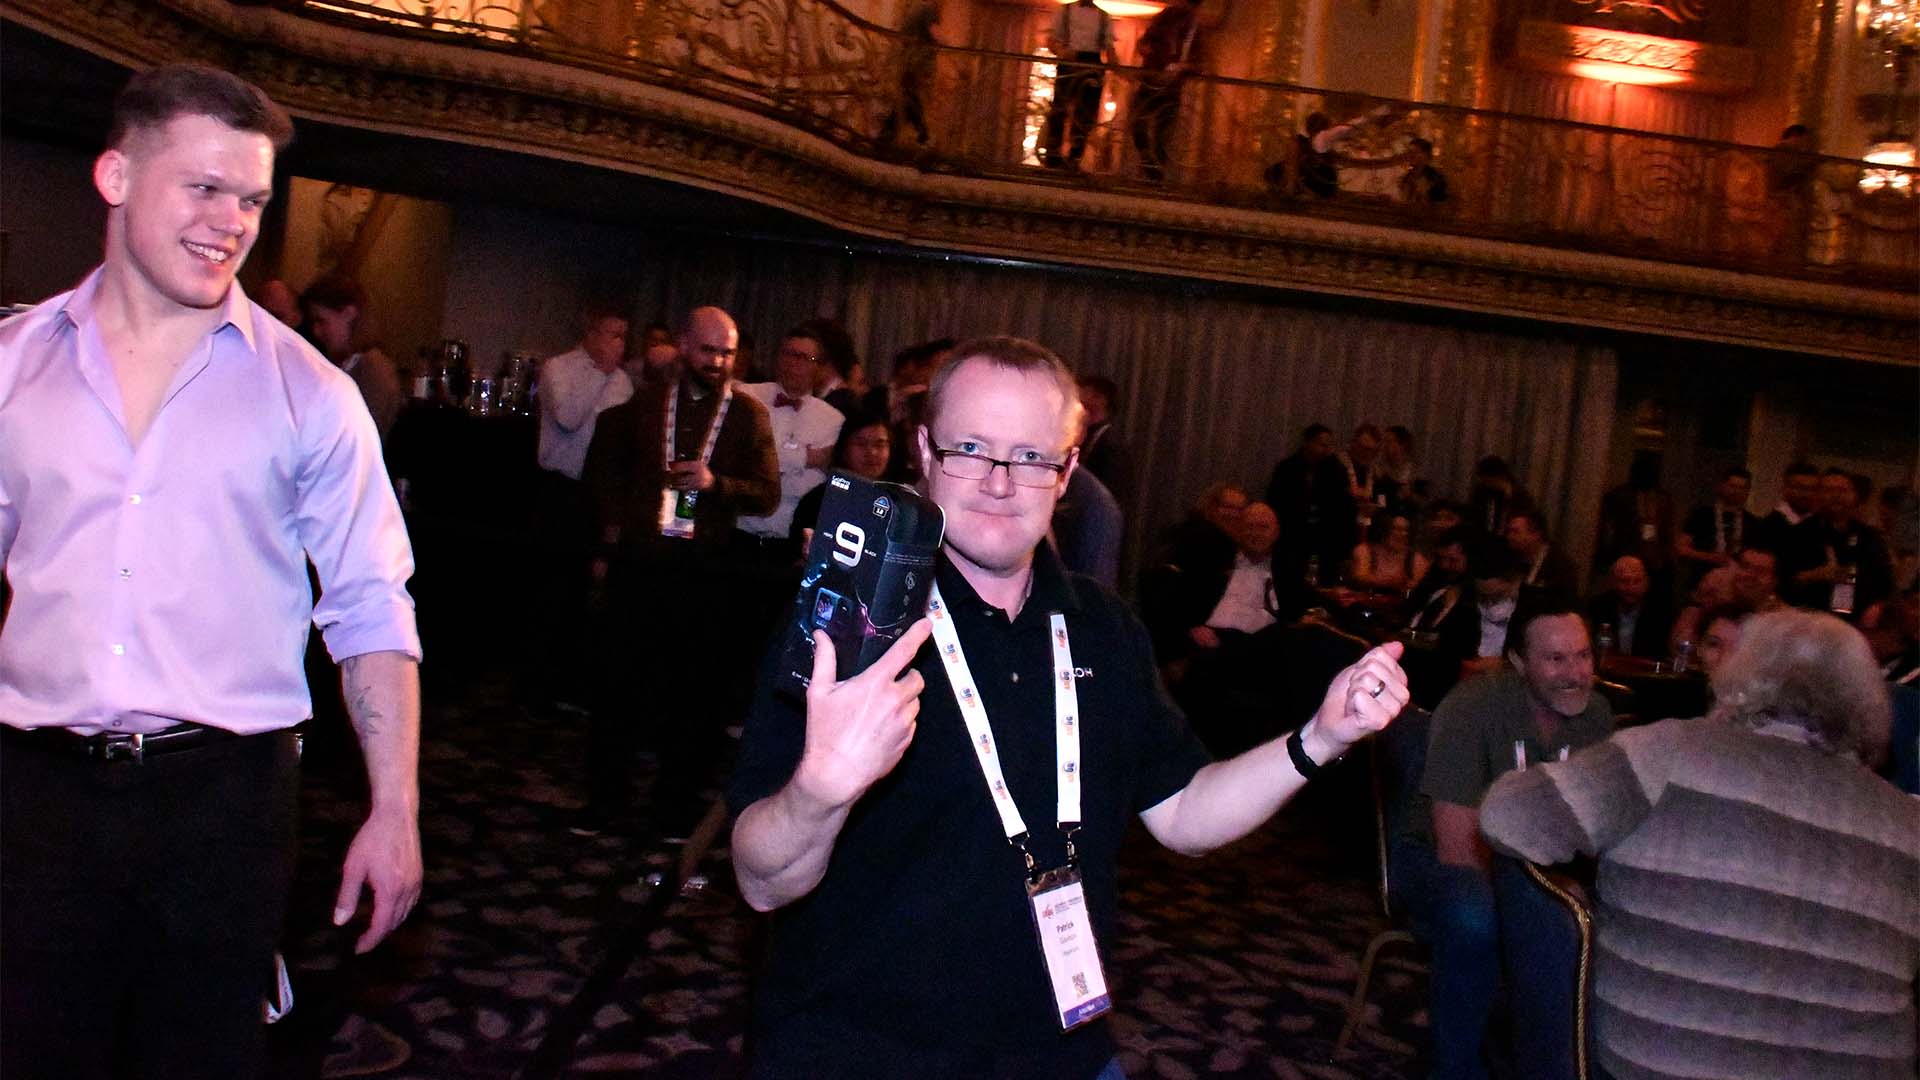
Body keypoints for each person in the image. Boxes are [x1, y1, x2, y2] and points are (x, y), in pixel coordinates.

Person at [727, 336, 1409, 1078]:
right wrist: (818, 792)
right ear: (924, 451)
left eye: (1030, 456)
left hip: (1059, 1050)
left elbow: (1184, 815)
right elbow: (762, 882)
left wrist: (1320, 737)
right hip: (861, 1049)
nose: (999, 482)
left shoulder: (1103, 627)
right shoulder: (853, 619)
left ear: (1067, 471)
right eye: (971, 449)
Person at [0, 63, 423, 1078]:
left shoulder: (310, 394)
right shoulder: (13, 365)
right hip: (32, 796)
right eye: (204, 187)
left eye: (252, 200)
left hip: (223, 806)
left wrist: (395, 807)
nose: (231, 221)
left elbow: (371, 607)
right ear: (116, 176)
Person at [1480, 609, 1918, 1080]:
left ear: (1740, 673)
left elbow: (1508, 817)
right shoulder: (1907, 825)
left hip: (1669, 1063)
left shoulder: (1668, 755)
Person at [577, 305, 779, 839]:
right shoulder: (643, 406)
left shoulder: (748, 416)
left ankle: (673, 808)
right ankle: (604, 802)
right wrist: (612, 535)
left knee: (694, 697)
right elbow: (607, 478)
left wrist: (717, 484)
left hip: (704, 573)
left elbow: (767, 494)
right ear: (685, 346)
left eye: (727, 353)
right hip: (640, 565)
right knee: (619, 687)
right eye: (709, 350)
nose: (718, 361)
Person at [1405, 595, 1613, 1080]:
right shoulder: (1472, 708)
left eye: (1583, 655)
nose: (1575, 673)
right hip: (1443, 859)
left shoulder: (1597, 716)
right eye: (1556, 659)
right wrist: (1543, 898)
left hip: (1542, 869)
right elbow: (1456, 846)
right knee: (1475, 914)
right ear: (1518, 662)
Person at [737, 325, 846, 563]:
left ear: (818, 368)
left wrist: (769, 460)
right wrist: (806, 458)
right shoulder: (746, 397)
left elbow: (808, 487)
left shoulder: (833, 420)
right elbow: (742, 459)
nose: (794, 363)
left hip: (789, 543)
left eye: (805, 358)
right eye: (788, 354)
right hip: (739, 533)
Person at [301, 273, 404, 440]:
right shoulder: (348, 363)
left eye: (321, 321)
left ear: (349, 314)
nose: (316, 331)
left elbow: (357, 435)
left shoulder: (373, 368)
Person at [1783, 469, 1894, 620]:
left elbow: (1885, 581)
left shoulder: (1868, 536)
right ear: (1818, 495)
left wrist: (1877, 606)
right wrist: (1814, 575)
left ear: (1854, 495)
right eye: (1829, 490)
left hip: (1858, 620)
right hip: (1810, 618)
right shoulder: (1800, 533)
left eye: (1843, 490)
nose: (1836, 496)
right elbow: (1783, 579)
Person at [1265, 423, 1354, 587]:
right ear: (1307, 443)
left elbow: (1342, 508)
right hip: (1291, 538)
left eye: (1328, 446)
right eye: (1322, 445)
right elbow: (1275, 503)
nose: (1326, 450)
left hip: (1324, 539)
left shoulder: (1335, 470)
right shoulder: (1287, 469)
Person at [788, 411, 894, 549]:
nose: (872, 452)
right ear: (844, 450)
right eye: (861, 444)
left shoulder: (898, 502)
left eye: (880, 445)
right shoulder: (819, 501)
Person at [1127, 0, 1203, 183]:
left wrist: (1181, 67)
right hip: (1151, 80)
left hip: (1170, 88)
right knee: (1137, 122)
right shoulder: (1165, 17)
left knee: (1162, 136)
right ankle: (1150, 166)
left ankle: (1156, 177)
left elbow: (1199, 63)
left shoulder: (1194, 28)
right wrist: (1144, 47)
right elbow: (1147, 40)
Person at [1042, 0, 1113, 171]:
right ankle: (1052, 158)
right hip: (1069, 61)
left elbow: (1109, 48)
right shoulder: (1064, 11)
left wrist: (1120, 70)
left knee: (1086, 114)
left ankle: (1074, 159)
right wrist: (1062, 52)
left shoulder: (1104, 17)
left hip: (1093, 64)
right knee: (1059, 110)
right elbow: (1052, 41)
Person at [1673, 465, 1760, 586]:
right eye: (1732, 486)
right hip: (1702, 582)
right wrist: (1710, 557)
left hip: (1737, 585)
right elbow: (1681, 549)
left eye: (1742, 488)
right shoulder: (1702, 514)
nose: (1736, 492)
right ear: (1722, 486)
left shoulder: (1752, 522)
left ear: (1748, 492)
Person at [1586, 555, 1672, 661]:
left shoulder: (1662, 611)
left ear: (1647, 583)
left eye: (1637, 581)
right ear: (1613, 582)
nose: (1631, 587)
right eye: (1624, 581)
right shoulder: (1598, 607)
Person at [878, 0, 939, 149]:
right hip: (916, 62)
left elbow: (904, 32)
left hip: (907, 60)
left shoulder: (912, 8)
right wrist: (946, 43)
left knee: (907, 98)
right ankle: (921, 136)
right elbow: (934, 34)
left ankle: (889, 136)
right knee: (909, 98)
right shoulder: (926, 9)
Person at [1073, 373, 1129, 504]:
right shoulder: (1089, 435)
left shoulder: (1112, 444)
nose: (1078, 398)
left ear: (1099, 398)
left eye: (1083, 392)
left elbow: (1111, 491)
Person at [1503, 506, 1580, 599]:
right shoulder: (1512, 556)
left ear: (1535, 534)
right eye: (1509, 531)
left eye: (1515, 532)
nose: (1509, 536)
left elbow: (1562, 600)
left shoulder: (1559, 565)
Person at [1350, 511, 1428, 593]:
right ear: (1384, 530)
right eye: (1397, 529)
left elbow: (1420, 585)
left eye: (1406, 530)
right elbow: (1360, 577)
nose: (1403, 534)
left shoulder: (1414, 558)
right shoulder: (1365, 550)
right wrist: (1390, 581)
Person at [1397, 136, 1448, 205]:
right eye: (1409, 152)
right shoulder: (1406, 178)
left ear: (1425, 155)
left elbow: (1440, 204)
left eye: (1415, 152)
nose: (1410, 155)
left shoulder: (1435, 178)